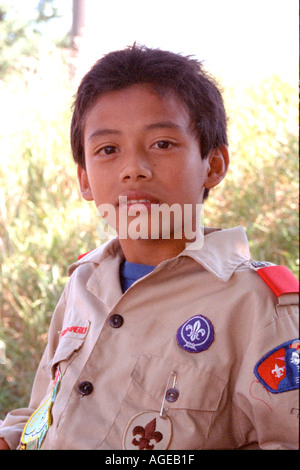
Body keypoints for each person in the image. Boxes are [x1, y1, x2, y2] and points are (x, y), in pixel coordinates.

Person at [0, 45, 298, 450]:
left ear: (213, 165)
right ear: (85, 179)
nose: (133, 167)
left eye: (162, 144)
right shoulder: (84, 284)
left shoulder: (257, 305)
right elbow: (41, 413)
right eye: (108, 150)